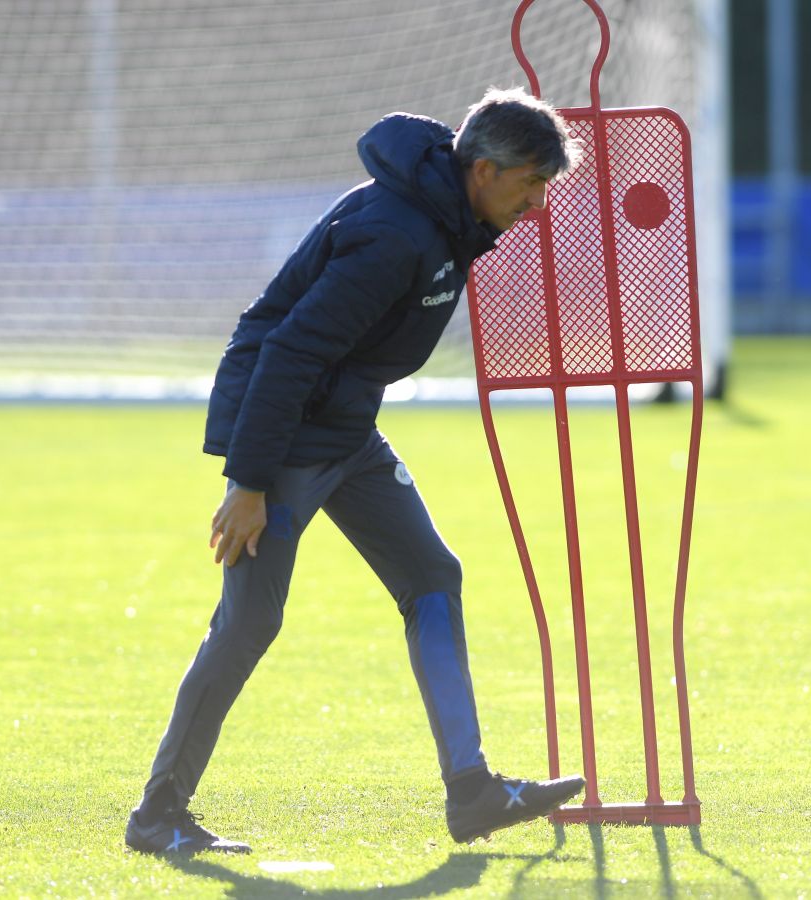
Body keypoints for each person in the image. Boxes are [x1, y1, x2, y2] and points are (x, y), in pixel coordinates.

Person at [125, 87, 585, 856]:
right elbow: (288, 350)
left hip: (344, 428)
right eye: (531, 184)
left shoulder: (448, 219)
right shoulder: (396, 234)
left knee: (433, 575)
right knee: (249, 623)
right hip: (286, 436)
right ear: (483, 169)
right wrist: (249, 482)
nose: (537, 204)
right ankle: (157, 816)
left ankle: (471, 793)